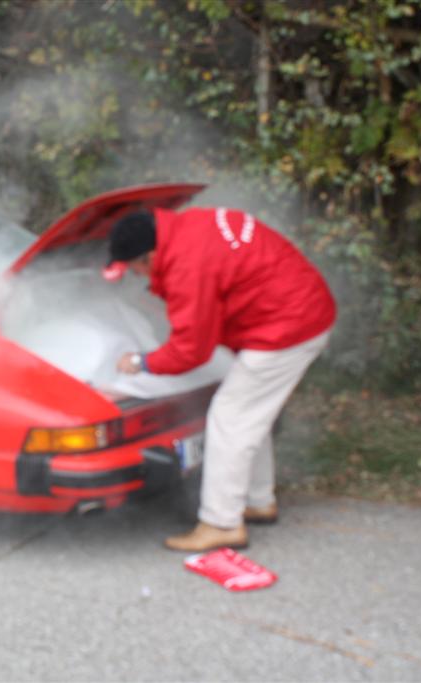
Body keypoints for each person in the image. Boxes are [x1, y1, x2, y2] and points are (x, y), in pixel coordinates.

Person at [104, 207, 335, 552]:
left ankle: (221, 523)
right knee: (249, 415)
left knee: (229, 418)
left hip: (286, 328)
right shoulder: (187, 226)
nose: (138, 276)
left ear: (150, 255)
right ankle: (257, 501)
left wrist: (141, 363)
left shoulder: (187, 266)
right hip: (299, 310)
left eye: (135, 269)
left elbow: (190, 352)